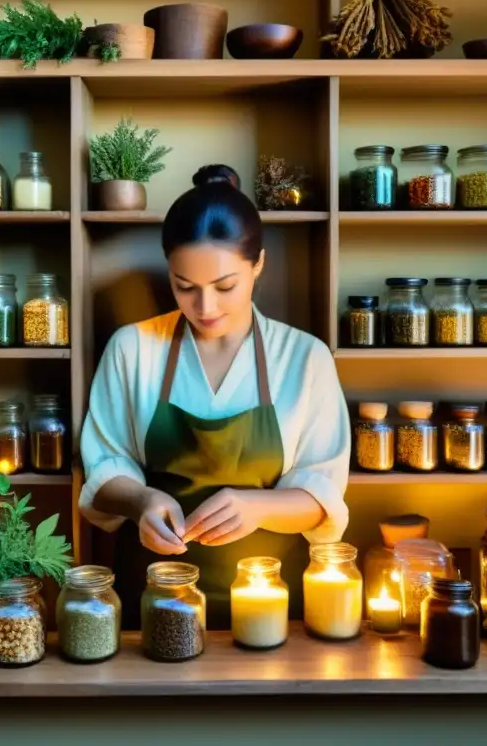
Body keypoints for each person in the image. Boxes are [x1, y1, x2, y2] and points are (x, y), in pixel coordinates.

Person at [80, 164, 351, 629]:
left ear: (258, 264)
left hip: (270, 604)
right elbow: (103, 468)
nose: (205, 308)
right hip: (155, 598)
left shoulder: (304, 357)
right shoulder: (133, 348)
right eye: (185, 287)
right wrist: (142, 501)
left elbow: (323, 493)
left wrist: (258, 506)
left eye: (225, 286)